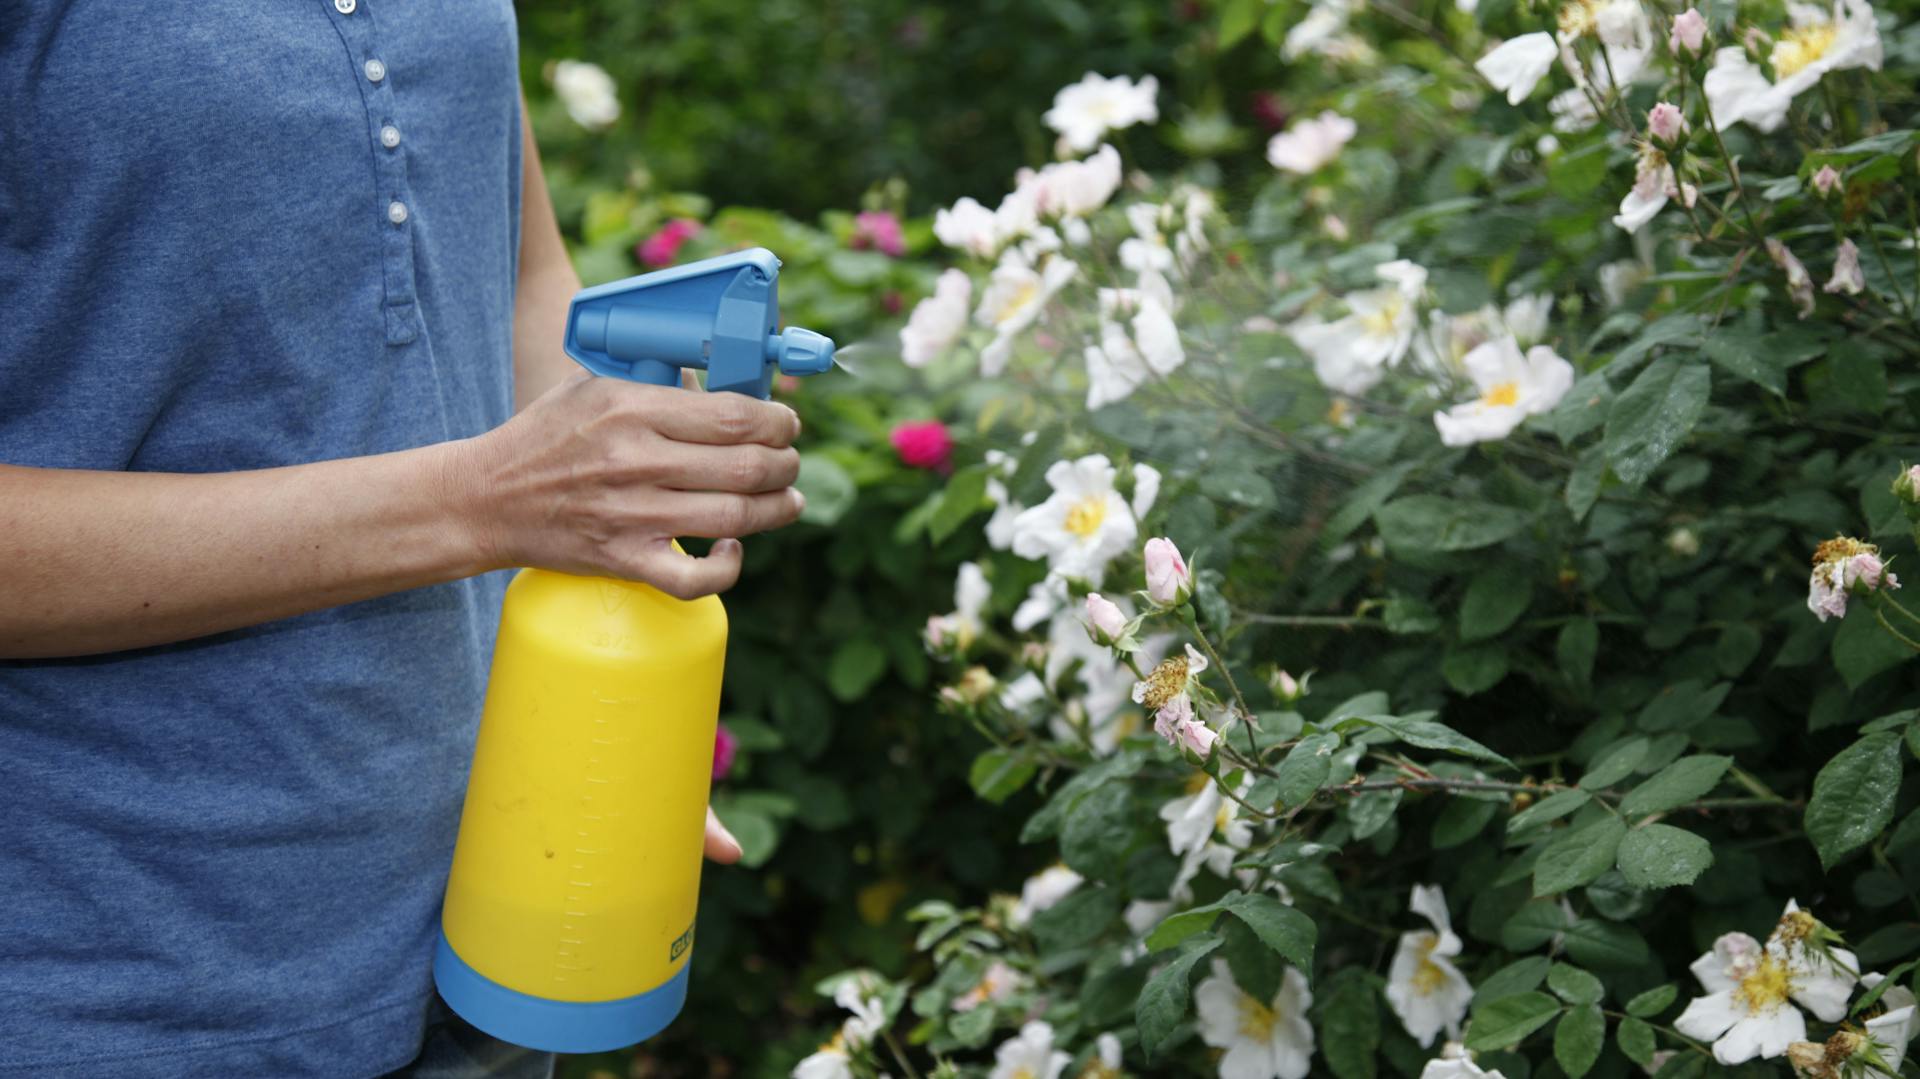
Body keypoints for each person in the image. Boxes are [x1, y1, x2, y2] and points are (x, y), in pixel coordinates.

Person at [0, 4, 803, 1076]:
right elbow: (491, 486)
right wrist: (481, 498)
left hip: (488, 931)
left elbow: (519, 281)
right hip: (117, 987)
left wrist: (600, 718)